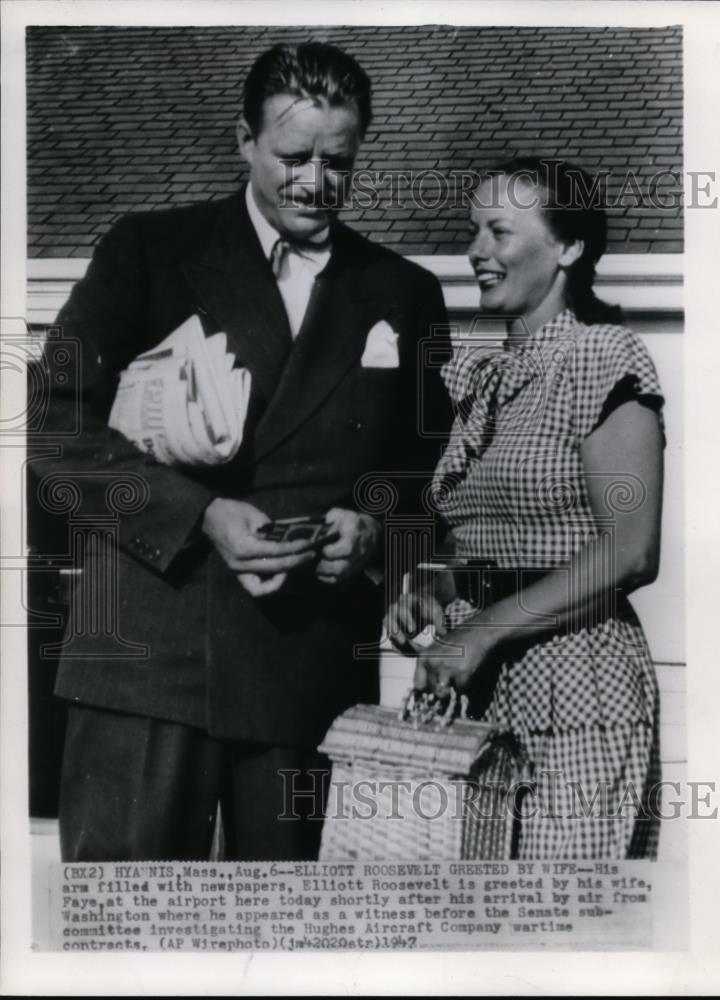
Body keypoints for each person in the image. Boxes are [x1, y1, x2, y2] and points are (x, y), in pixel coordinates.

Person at [34, 41, 449, 861]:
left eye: (339, 161)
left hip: (306, 673)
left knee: (287, 955)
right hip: (146, 666)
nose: (315, 182)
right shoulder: (148, 250)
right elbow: (52, 427)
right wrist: (199, 516)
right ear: (243, 141)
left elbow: (424, 472)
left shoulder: (403, 291)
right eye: (294, 156)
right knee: (124, 942)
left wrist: (372, 531)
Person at [387, 157, 665, 859]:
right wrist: (436, 581)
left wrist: (480, 633)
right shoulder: (479, 378)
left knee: (563, 926)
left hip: (574, 680)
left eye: (500, 232)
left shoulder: (605, 357)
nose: (477, 250)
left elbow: (631, 550)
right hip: (474, 687)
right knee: (466, 926)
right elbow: (492, 535)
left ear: (568, 248)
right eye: (473, 230)